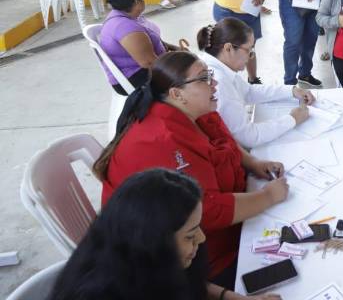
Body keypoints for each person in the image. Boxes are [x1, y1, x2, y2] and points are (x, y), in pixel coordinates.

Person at [94, 51, 289, 288]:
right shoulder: (164, 139)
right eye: (204, 78)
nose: (214, 83)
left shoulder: (191, 110)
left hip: (205, 234)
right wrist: (268, 195)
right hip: (185, 260)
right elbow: (206, 210)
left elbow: (224, 143)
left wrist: (254, 164)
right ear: (177, 93)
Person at [49, 169, 281, 300]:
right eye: (190, 236)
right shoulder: (102, 293)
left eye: (197, 228)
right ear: (152, 242)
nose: (201, 239)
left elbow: (192, 284)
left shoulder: (149, 261)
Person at [197, 18, 316, 149]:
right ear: (228, 48)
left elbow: (248, 92)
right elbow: (249, 137)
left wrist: (291, 91)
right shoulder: (218, 82)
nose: (250, 57)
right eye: (248, 50)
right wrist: (292, 119)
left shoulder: (219, 67)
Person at [99, 0, 180, 96]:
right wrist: (179, 64)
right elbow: (149, 62)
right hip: (134, 77)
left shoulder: (125, 15)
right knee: (190, 78)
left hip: (141, 68)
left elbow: (150, 41)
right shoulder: (125, 27)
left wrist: (174, 49)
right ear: (137, 1)